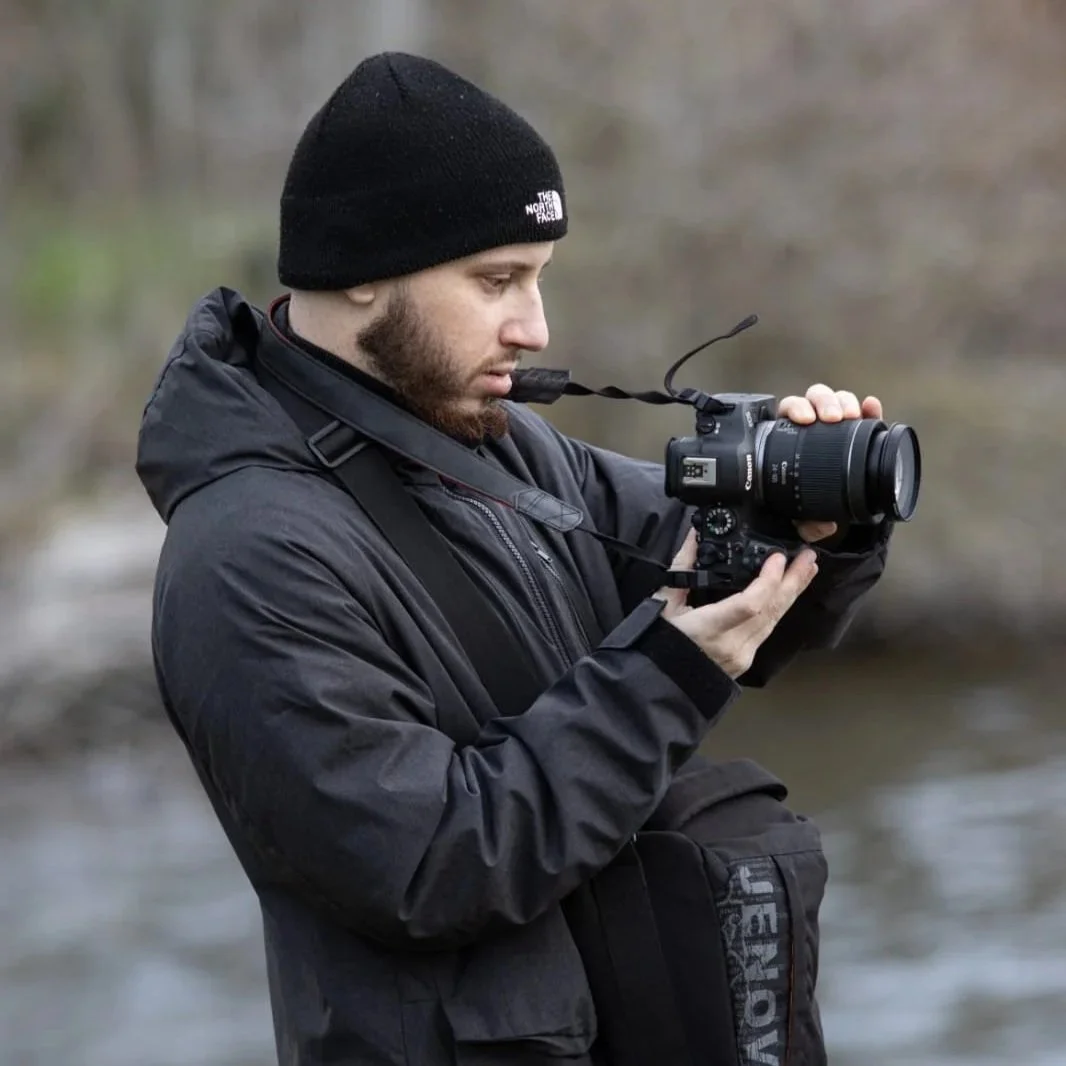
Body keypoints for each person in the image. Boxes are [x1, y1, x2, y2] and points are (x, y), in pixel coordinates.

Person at [136, 52, 891, 1066]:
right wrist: (668, 672)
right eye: (496, 281)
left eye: (537, 279)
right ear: (362, 270)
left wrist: (810, 523)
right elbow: (427, 865)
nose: (533, 327)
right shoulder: (247, 553)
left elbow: (715, 593)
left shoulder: (495, 439)